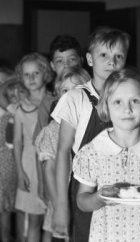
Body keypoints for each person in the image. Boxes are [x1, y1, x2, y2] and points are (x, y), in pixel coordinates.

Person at [72, 68, 140, 242]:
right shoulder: (93, 152)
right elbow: (82, 201)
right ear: (106, 106)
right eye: (117, 102)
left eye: (135, 101)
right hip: (108, 236)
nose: (127, 109)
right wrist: (99, 198)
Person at [51, 27, 131, 241]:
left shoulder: (129, 98)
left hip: (122, 185)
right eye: (103, 55)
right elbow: (62, 153)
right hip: (85, 190)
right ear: (89, 58)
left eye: (118, 56)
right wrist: (60, 206)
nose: (111, 62)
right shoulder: (76, 98)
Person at [35, 68, 90, 242]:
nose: (69, 97)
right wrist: (59, 205)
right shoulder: (53, 130)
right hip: (62, 200)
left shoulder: (89, 124)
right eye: (65, 91)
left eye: (76, 90)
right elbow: (49, 169)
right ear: (58, 96)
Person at [13, 53, 54, 242]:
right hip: (30, 165)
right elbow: (18, 143)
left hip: (52, 164)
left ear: (45, 73)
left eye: (35, 73)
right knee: (35, 219)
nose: (31, 78)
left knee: (52, 221)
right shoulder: (21, 107)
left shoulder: (55, 101)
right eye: (26, 74)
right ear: (21, 77)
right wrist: (20, 173)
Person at [32, 34, 84, 142]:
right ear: (52, 65)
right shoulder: (48, 103)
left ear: (81, 61)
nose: (66, 65)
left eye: (72, 59)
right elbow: (40, 145)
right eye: (60, 61)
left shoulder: (91, 96)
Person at [0, 78, 27, 242]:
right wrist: (15, 78)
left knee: (20, 208)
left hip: (21, 165)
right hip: (7, 168)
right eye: (12, 95)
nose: (16, 96)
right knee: (6, 208)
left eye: (20, 92)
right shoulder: (11, 113)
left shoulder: (28, 111)